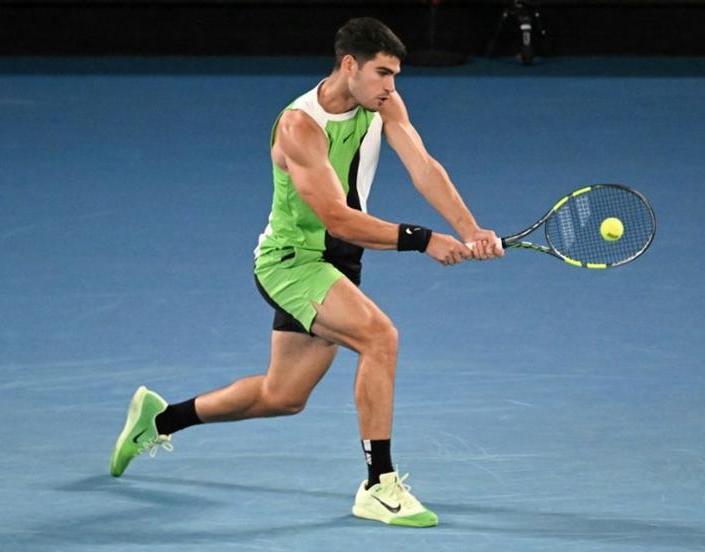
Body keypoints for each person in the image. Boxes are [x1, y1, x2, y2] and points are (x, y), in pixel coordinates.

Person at [109, 17, 502, 528]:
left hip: (338, 261)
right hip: (293, 263)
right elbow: (336, 218)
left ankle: (160, 419)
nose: (392, 86)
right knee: (380, 338)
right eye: (383, 73)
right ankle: (378, 485)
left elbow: (424, 166)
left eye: (395, 76)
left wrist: (470, 229)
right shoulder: (300, 126)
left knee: (283, 396)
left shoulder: (385, 105)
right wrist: (423, 240)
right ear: (348, 66)